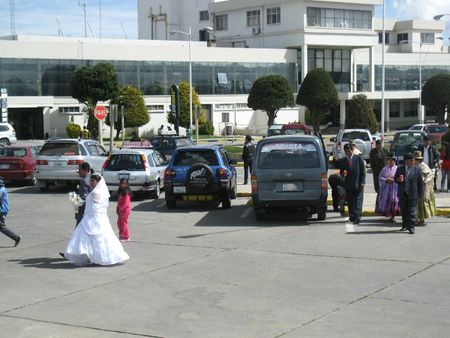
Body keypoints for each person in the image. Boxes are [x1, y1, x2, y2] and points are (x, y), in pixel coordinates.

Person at [63, 172, 129, 266]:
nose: (91, 182)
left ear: (98, 182)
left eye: (93, 181)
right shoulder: (96, 191)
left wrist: (85, 209)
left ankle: (94, 257)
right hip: (92, 216)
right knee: (90, 237)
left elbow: (96, 207)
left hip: (94, 217)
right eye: (91, 181)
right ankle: (92, 256)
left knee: (95, 237)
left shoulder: (96, 192)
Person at [394, 153, 423, 234]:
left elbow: (420, 182)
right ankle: (404, 225)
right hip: (403, 193)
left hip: (413, 193)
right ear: (406, 161)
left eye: (414, 160)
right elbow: (395, 180)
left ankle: (411, 227)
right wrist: (399, 180)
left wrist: (421, 194)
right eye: (411, 160)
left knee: (412, 211)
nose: (413, 162)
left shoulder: (417, 169)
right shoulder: (400, 169)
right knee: (404, 211)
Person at [340, 143, 366, 224]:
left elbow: (363, 172)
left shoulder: (358, 158)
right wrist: (342, 174)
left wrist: (362, 182)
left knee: (358, 201)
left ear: (352, 150)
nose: (348, 152)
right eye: (347, 151)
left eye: (350, 150)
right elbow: (341, 172)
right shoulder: (343, 161)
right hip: (348, 184)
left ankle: (357, 217)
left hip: (358, 184)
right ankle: (352, 216)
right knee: (350, 201)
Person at [375, 152, 400, 222]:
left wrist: (393, 180)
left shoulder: (397, 169)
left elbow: (399, 178)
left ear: (394, 161)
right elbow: (380, 178)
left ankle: (393, 216)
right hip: (385, 189)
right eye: (389, 160)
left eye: (392, 160)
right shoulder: (384, 169)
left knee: (393, 201)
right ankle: (388, 214)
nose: (390, 161)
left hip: (394, 189)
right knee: (386, 202)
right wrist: (386, 180)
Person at [414, 151, 436, 226]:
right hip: (415, 187)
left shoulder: (423, 166)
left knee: (421, 203)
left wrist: (426, 180)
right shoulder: (413, 166)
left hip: (423, 187)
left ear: (420, 160)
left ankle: (421, 219)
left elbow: (430, 174)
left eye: (417, 159)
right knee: (415, 203)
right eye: (415, 159)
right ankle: (415, 218)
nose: (416, 160)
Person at [0, 177, 21, 247]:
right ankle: (16, 238)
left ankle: (16, 237)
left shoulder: (1, 190)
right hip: (2, 210)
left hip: (1, 211)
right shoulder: (2, 189)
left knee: (1, 227)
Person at [76, 162, 91, 226]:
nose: (78, 171)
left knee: (80, 227)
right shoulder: (91, 178)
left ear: (85, 170)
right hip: (89, 208)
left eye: (80, 170)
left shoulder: (84, 181)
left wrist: (76, 202)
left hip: (83, 209)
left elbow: (84, 196)